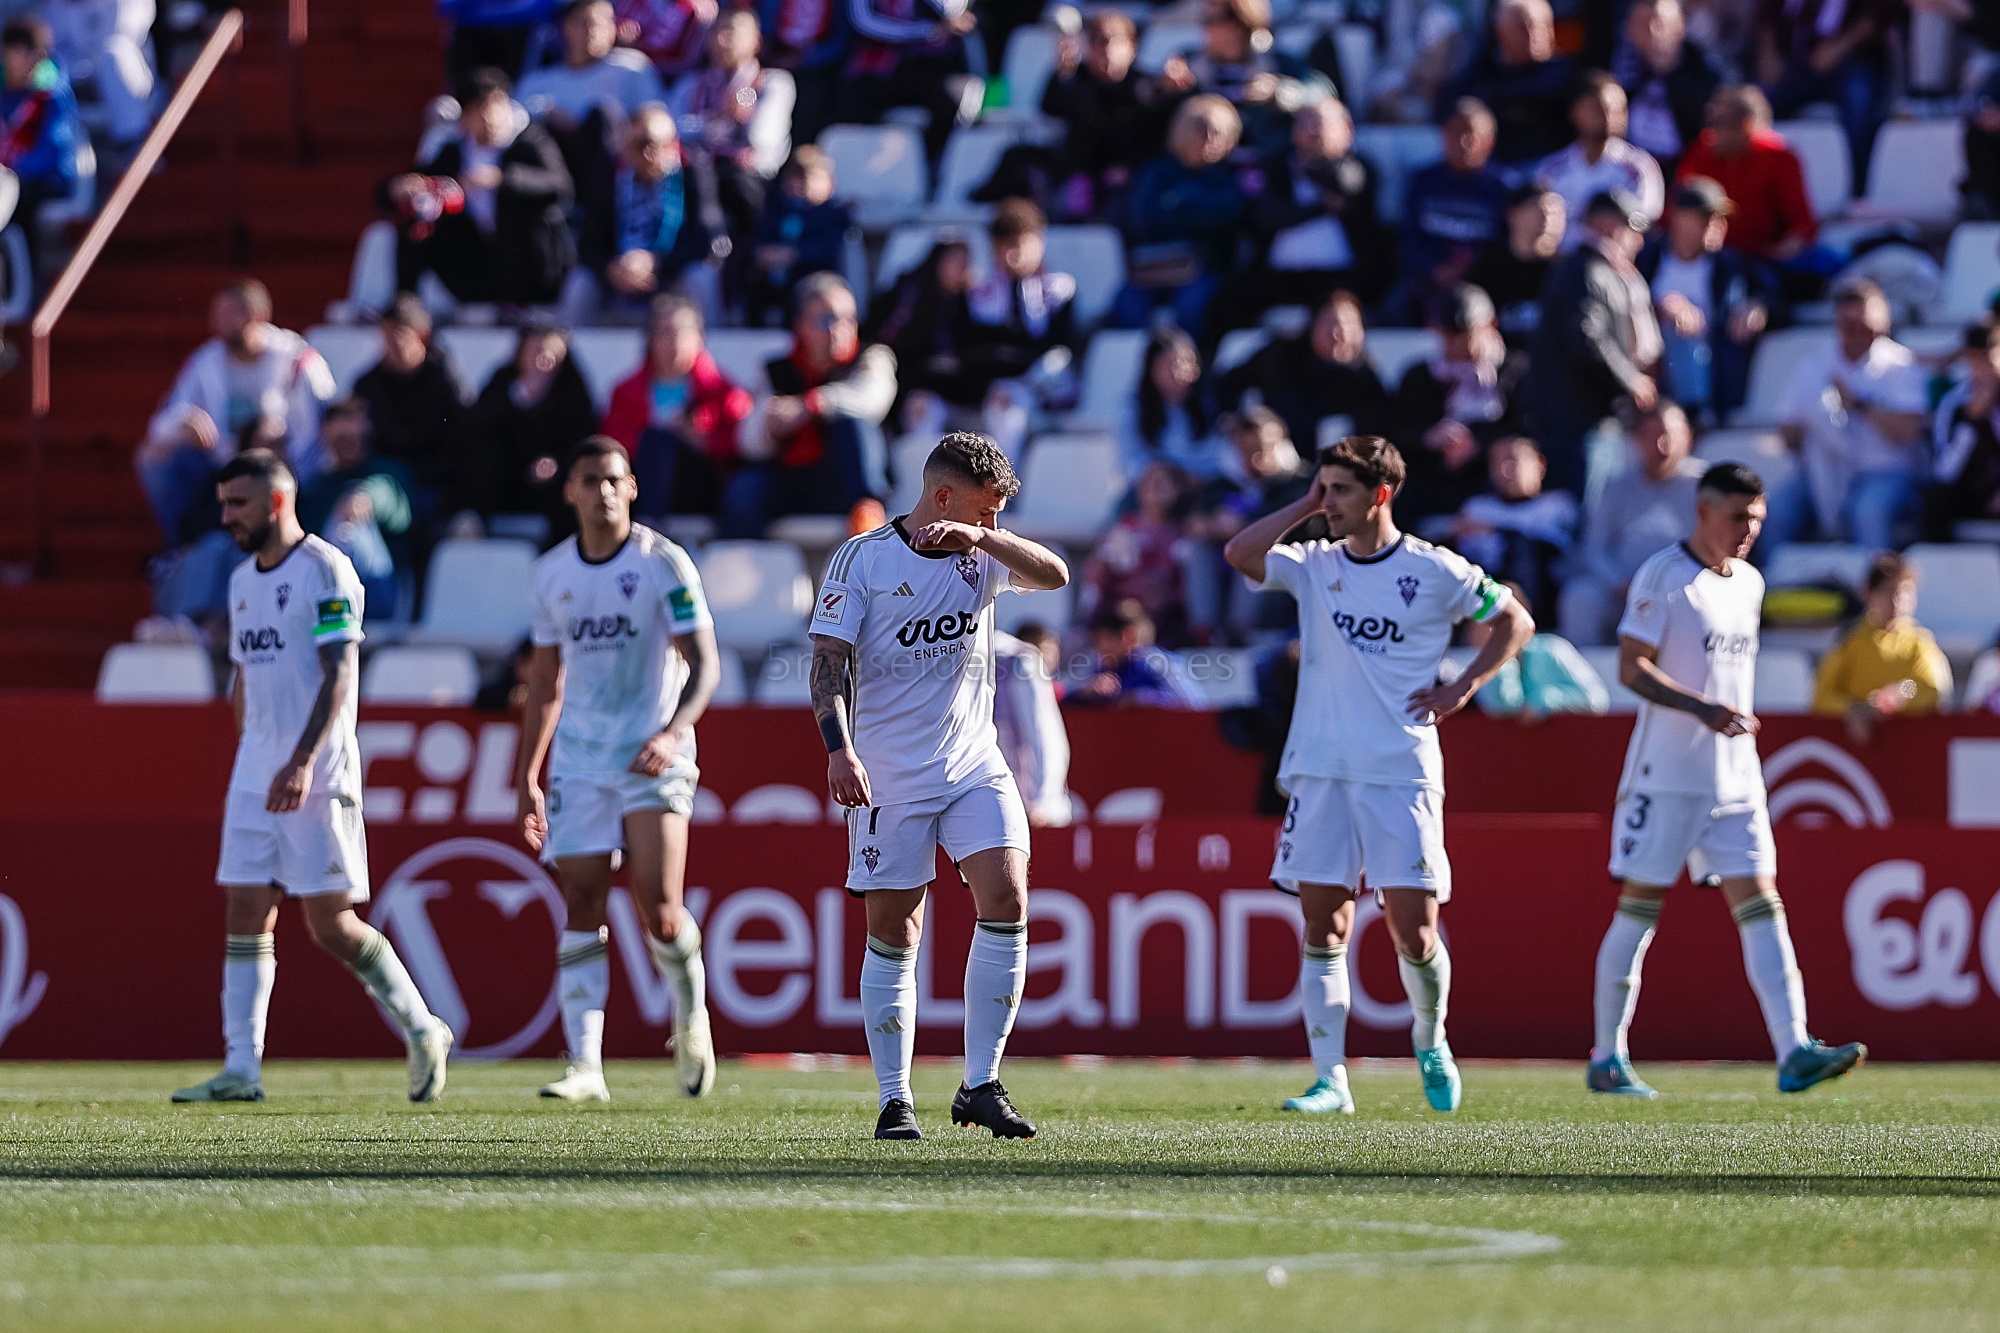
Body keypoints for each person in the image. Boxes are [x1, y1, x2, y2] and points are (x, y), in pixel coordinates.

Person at [1223, 433, 1534, 1116]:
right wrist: (1303, 505)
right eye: (1323, 488)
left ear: (1381, 495)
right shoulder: (1313, 563)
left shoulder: (1435, 569)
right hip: (1322, 770)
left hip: (1400, 770)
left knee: (1414, 932)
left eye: (1340, 490)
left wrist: (1464, 686)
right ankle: (1330, 1079)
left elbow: (1516, 620)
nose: (1328, 501)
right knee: (1322, 926)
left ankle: (1430, 1036)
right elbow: (1240, 553)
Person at [808, 431, 1071, 1141]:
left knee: (1008, 896)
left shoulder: (984, 552)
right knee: (896, 930)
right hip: (888, 772)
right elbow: (827, 663)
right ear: (943, 495)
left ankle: (980, 1082)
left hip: (974, 762)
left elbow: (1055, 575)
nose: (994, 524)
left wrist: (984, 537)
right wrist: (839, 751)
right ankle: (895, 1098)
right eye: (985, 511)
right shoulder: (863, 559)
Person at [171, 450, 452, 1104]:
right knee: (246, 909)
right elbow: (245, 676)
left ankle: (422, 1027)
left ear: (276, 503)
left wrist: (301, 760)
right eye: (223, 503)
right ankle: (241, 1068)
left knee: (331, 924)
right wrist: (252, 755)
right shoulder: (243, 580)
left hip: (318, 770)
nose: (227, 516)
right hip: (256, 772)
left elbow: (340, 673)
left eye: (238, 504)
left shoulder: (325, 569)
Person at [1589, 461, 1866, 1098]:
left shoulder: (1750, 583)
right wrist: (1702, 709)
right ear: (1703, 510)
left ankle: (1794, 1049)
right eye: (1738, 517)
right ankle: (1607, 1055)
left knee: (1763, 904)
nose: (1748, 530)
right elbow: (1631, 669)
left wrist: (1724, 718)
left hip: (1737, 779)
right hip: (1668, 776)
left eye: (1757, 519)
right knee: (1639, 908)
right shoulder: (1665, 576)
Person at [515, 436, 723, 1102]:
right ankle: (585, 1064)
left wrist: (673, 731)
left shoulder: (663, 563)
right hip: (580, 759)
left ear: (631, 487)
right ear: (570, 491)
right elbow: (545, 683)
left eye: (613, 479)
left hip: (651, 755)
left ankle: (690, 1013)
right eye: (590, 480)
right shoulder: (551, 573)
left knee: (658, 909)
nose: (603, 491)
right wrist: (528, 774)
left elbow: (705, 663)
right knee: (581, 898)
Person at [136, 279, 337, 547]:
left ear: (259, 316)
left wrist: (282, 468)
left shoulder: (296, 360)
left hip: (289, 477)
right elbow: (161, 425)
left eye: (231, 315)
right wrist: (183, 424)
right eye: (217, 315)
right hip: (221, 473)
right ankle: (180, 549)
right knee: (153, 457)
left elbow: (321, 431)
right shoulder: (206, 362)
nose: (221, 324)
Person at [381, 67, 576, 308]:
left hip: (532, 268)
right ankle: (404, 309)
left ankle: (518, 305)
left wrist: (502, 180)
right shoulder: (454, 153)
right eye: (479, 109)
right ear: (465, 117)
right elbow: (403, 188)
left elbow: (561, 186)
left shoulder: (531, 142)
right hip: (479, 267)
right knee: (420, 222)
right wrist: (402, 187)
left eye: (495, 106)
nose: (489, 117)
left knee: (520, 213)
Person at [726, 273, 895, 537]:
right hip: (792, 479)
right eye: (827, 320)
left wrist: (812, 405)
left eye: (849, 319)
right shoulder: (776, 369)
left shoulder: (871, 357)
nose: (839, 329)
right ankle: (741, 559)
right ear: (801, 325)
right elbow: (748, 441)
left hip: (842, 482)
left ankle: (868, 529)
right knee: (744, 488)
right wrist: (771, 427)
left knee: (855, 426)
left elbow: (873, 400)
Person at [1773, 280, 1927, 550]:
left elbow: (1908, 431)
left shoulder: (1902, 364)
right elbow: (1788, 432)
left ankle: (1876, 578)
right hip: (1823, 471)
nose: (1858, 333)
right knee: (1775, 512)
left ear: (1883, 325)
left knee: (1867, 513)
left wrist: (1857, 404)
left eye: (1866, 326)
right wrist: (1817, 421)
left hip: (1884, 472)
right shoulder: (1814, 364)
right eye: (1849, 325)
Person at [1528, 189, 1663, 495]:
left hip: (1596, 419)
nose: (1639, 242)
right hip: (1576, 422)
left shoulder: (1603, 272)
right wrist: (1631, 380)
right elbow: (1586, 338)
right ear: (1607, 226)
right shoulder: (1583, 271)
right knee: (1585, 507)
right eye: (1633, 230)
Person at [1559, 399, 1705, 645]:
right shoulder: (1616, 488)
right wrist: (1621, 583)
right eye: (1651, 435)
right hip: (1622, 592)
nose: (1661, 444)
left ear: (1687, 437)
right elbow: (1594, 549)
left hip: (1686, 591)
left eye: (1668, 434)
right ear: (1636, 440)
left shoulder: (1704, 488)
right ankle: (1582, 666)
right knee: (1580, 597)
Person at [565, 103, 725, 326]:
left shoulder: (693, 172)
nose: (648, 154)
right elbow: (589, 241)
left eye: (655, 145)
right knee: (580, 282)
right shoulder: (609, 173)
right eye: (638, 145)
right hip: (619, 274)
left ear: (672, 145)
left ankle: (708, 345)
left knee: (701, 277)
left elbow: (706, 239)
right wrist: (611, 268)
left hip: (671, 273)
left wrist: (656, 263)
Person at [601, 293, 752, 520]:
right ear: (649, 338)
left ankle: (649, 522)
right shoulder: (625, 391)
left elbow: (742, 447)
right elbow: (611, 446)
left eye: (681, 332)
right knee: (655, 440)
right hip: (638, 484)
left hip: (701, 486)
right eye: (663, 332)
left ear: (699, 337)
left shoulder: (722, 392)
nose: (673, 341)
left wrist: (701, 442)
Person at [1393, 284, 1527, 535]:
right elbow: (1396, 429)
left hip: (1492, 488)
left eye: (1466, 334)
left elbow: (1527, 426)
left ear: (1491, 325)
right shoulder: (1420, 377)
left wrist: (1478, 443)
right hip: (1432, 485)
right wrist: (1429, 438)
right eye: (1448, 335)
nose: (1457, 344)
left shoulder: (1516, 373)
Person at [668, 9, 795, 275]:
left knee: (736, 183)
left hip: (750, 181)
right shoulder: (690, 84)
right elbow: (671, 131)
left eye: (732, 32)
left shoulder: (773, 83)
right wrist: (720, 119)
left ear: (756, 41)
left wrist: (737, 115)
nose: (723, 39)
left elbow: (763, 140)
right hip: (696, 176)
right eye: (717, 31)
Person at [1114, 94, 1248, 342]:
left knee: (1192, 307)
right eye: (1202, 130)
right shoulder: (1156, 172)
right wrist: (1195, 208)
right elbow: (1142, 218)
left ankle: (1188, 364)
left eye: (1218, 132)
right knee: (1127, 307)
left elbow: (1226, 216)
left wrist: (1178, 205)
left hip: (1202, 273)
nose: (1210, 139)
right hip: (1151, 271)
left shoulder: (1229, 179)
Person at [1639, 177, 1774, 423]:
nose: (1717, 226)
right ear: (1678, 218)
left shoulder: (1731, 266)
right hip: (1653, 377)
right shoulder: (1646, 260)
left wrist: (1758, 308)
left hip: (1717, 381)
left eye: (1721, 219)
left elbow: (1776, 298)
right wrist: (1660, 309)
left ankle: (1699, 416)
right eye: (1706, 217)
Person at [449, 324, 601, 536]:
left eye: (553, 352)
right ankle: (471, 518)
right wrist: (517, 397)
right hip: (505, 477)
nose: (544, 359)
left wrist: (557, 462)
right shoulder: (503, 381)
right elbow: (473, 427)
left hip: (550, 484)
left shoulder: (573, 389)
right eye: (536, 350)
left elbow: (583, 437)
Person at [1219, 289, 1393, 459]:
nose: (1340, 333)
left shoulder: (1366, 378)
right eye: (1331, 323)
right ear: (1312, 325)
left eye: (1350, 325)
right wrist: (1232, 418)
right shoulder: (1281, 356)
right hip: (1271, 461)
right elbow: (1228, 384)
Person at [1040, 10, 1175, 221]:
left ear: (1132, 47)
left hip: (1127, 178)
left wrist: (1129, 167)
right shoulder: (1077, 78)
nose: (1106, 48)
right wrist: (1062, 73)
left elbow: (1156, 137)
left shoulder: (1146, 85)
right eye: (1098, 40)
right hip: (1081, 175)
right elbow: (1050, 107)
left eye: (1114, 40)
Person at [296, 399, 419, 621]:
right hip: (323, 590)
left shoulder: (388, 471)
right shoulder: (316, 487)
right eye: (341, 439)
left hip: (383, 591)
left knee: (351, 532)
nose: (348, 446)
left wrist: (365, 498)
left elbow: (394, 503)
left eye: (354, 438)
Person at [1812, 551, 1951, 743]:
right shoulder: (1849, 641)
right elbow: (1822, 697)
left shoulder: (1921, 644)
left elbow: (1935, 692)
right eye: (1887, 591)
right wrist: (1854, 710)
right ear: (1867, 594)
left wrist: (1901, 695)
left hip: (1909, 745)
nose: (1897, 601)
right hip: (1851, 747)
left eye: (1904, 592)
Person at [1674, 86, 1818, 271]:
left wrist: (1777, 257)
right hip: (1708, 262)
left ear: (1745, 126)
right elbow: (1677, 205)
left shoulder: (1779, 158)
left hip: (1762, 263)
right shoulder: (1703, 150)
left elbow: (1801, 227)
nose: (1711, 131)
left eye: (1719, 123)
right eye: (1709, 122)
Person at [1755, 0, 1896, 186]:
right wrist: (1768, 54)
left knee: (1858, 100)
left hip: (1851, 60)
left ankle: (1858, 184)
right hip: (1795, 64)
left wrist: (1840, 46)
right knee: (1760, 103)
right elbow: (1767, 16)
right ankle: (1760, 179)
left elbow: (1876, 16)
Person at [515, 0, 664, 175]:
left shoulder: (632, 69)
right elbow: (511, 119)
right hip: (555, 171)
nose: (593, 31)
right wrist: (546, 112)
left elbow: (659, 121)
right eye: (586, 23)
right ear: (566, 27)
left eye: (603, 23)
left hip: (615, 173)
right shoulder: (538, 81)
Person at [1170, 0, 1333, 157]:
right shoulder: (1189, 64)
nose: (1205, 28)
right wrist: (1164, 89)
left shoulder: (1276, 62)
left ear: (1240, 24)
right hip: (1209, 169)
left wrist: (1279, 92)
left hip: (1270, 164)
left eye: (1214, 20)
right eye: (1204, 20)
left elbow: (1322, 90)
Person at [1445, 435, 1576, 626]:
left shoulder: (1557, 505)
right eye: (1496, 462)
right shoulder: (1476, 507)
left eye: (1512, 460)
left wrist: (1496, 531)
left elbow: (1551, 552)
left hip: (1538, 602)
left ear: (1539, 465)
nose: (1504, 470)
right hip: (1477, 602)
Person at [351, 293, 464, 510]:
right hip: (384, 476)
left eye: (397, 336)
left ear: (422, 337)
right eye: (384, 336)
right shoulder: (368, 385)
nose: (389, 345)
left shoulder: (446, 385)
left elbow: (456, 439)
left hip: (434, 484)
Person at [1401, 99, 1513, 312]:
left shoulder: (1505, 187)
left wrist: (1470, 269)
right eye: (1455, 132)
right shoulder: (1422, 182)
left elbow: (1506, 245)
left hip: (1486, 286)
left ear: (1489, 141)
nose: (1462, 141)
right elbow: (1410, 238)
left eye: (1470, 134)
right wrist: (1435, 269)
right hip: (1428, 284)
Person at [836, 0, 981, 164]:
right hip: (874, 72)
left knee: (957, 94)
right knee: (852, 114)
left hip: (926, 68)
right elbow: (862, 22)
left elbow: (950, 11)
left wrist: (947, 23)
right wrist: (927, 31)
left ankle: (928, 165)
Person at [1439, 0, 1577, 167]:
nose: (1533, 34)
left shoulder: (1568, 77)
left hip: (1551, 168)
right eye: (1522, 27)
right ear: (1501, 31)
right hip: (1493, 169)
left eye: (1540, 26)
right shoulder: (1479, 76)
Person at [1535, 72, 1665, 250]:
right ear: (1576, 111)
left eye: (1619, 109)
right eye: (1600, 108)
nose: (1611, 117)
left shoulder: (1639, 167)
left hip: (1621, 260)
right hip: (1563, 261)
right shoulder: (1551, 169)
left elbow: (1645, 221)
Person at [0, 16, 81, 284]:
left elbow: (52, 149)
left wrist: (14, 169)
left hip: (47, 179)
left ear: (38, 56)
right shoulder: (6, 95)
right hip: (11, 177)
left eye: (19, 54)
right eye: (9, 54)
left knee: (17, 202)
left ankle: (25, 286)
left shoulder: (52, 95)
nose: (12, 62)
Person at [1082, 461, 1193, 644]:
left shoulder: (1186, 532)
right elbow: (1098, 575)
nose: (1154, 488)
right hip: (1124, 617)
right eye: (1149, 482)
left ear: (1177, 490)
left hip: (1170, 617)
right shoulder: (1124, 529)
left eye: (1162, 482)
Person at [746, 145, 852, 327]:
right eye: (793, 179)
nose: (799, 186)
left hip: (813, 275)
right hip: (773, 277)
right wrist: (765, 254)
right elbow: (761, 239)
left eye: (807, 179)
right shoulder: (776, 211)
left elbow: (827, 247)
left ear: (829, 183)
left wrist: (794, 254)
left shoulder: (832, 214)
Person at [1615, 0, 1722, 179]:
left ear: (1680, 26)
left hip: (1689, 172)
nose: (1652, 31)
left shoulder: (1706, 73)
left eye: (1659, 22)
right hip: (1630, 172)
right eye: (1643, 24)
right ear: (1630, 29)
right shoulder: (1620, 71)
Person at [42, 0, 157, 152]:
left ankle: (134, 143)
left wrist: (85, 71)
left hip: (135, 86)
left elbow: (120, 36)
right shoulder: (57, 6)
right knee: (47, 67)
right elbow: (55, 51)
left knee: (113, 52)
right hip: (80, 85)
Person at [1121, 326, 1230, 482]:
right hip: (1154, 488)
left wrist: (1191, 478)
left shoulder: (1211, 403)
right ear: (1152, 369)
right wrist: (1167, 477)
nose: (1182, 372)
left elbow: (1221, 458)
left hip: (1204, 486)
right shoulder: (1134, 408)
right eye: (1172, 366)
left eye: (1188, 363)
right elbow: (1130, 463)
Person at [1925, 320, 2000, 538]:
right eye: (1975, 360)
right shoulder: (1954, 403)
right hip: (1974, 491)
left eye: (1987, 360)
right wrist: (1971, 422)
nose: (1982, 371)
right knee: (1935, 501)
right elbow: (1944, 471)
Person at [991, 627, 1072, 826]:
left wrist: (1042, 800)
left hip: (1029, 811)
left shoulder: (1020, 661)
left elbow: (1045, 735)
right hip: (989, 806)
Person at [1466, 183, 1565, 346]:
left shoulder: (1565, 269)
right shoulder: (1488, 266)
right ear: (1512, 214)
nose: (1547, 217)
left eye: (1555, 212)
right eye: (1538, 208)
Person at [1067, 598, 1199, 708]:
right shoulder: (1105, 669)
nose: (1097, 647)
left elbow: (1191, 703)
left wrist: (1140, 698)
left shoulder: (1156, 663)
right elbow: (1065, 700)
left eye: (1104, 638)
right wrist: (1087, 693)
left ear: (1127, 636)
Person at [616, 0, 718, 81]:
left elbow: (685, 63)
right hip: (622, 64)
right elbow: (614, 24)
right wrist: (619, 34)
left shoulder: (699, 10)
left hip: (667, 81)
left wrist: (638, 52)